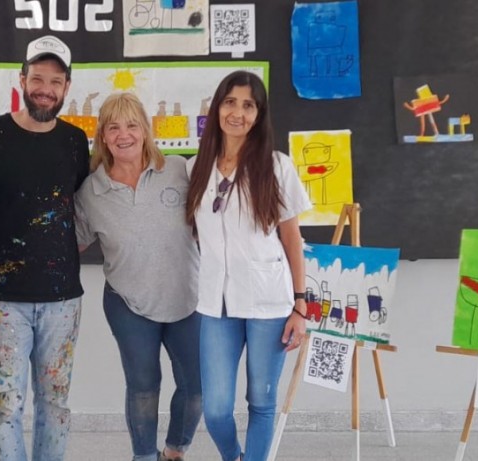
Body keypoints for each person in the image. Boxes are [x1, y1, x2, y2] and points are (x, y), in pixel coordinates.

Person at [184, 70, 313, 461]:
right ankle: (233, 456)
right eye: (230, 102)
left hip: (268, 305)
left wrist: (300, 304)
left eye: (248, 105)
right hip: (216, 305)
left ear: (259, 115)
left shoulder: (276, 166)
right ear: (217, 106)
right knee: (217, 409)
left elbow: (292, 238)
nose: (237, 112)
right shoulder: (196, 167)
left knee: (261, 402)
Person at [0, 35, 89, 461]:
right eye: (37, 78)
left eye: (55, 81)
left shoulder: (76, 142)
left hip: (63, 299)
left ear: (66, 87)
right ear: (22, 80)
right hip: (0, 300)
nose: (45, 88)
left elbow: (79, 205)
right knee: (5, 408)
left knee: (55, 405)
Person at [74, 93, 202, 461]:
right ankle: (143, 456)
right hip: (128, 303)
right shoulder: (90, 191)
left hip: (187, 297)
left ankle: (174, 451)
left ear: (146, 130)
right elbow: (74, 246)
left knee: (196, 388)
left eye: (132, 125)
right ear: (102, 137)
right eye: (113, 127)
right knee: (144, 387)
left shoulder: (179, 169)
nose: (123, 134)